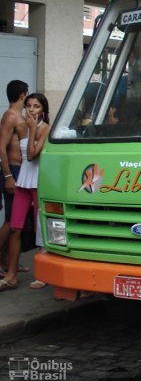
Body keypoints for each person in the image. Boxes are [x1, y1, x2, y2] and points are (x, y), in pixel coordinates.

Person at [0, 93, 51, 291]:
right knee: (15, 227)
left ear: (43, 110)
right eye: (28, 105)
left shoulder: (45, 128)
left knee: (41, 230)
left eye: (36, 106)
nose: (31, 109)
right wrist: (8, 175)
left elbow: (30, 155)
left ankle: (43, 274)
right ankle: (11, 275)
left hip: (38, 183)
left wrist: (31, 130)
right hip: (23, 182)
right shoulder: (23, 125)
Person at [0, 80, 29, 278]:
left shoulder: (20, 117)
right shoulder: (11, 117)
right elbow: (1, 147)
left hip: (21, 171)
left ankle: (8, 261)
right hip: (13, 171)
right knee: (11, 221)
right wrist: (8, 175)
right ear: (22, 95)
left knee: (17, 222)